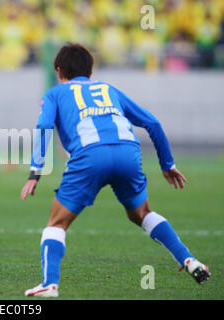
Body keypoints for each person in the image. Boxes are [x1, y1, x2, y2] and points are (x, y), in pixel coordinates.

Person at [20, 43, 211, 298]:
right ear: (90, 70)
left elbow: (44, 128)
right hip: (127, 154)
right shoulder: (108, 89)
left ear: (58, 71)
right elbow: (152, 123)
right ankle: (189, 260)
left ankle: (50, 284)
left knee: (56, 223)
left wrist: (35, 173)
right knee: (142, 214)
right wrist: (168, 164)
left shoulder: (56, 93)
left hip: (90, 157)